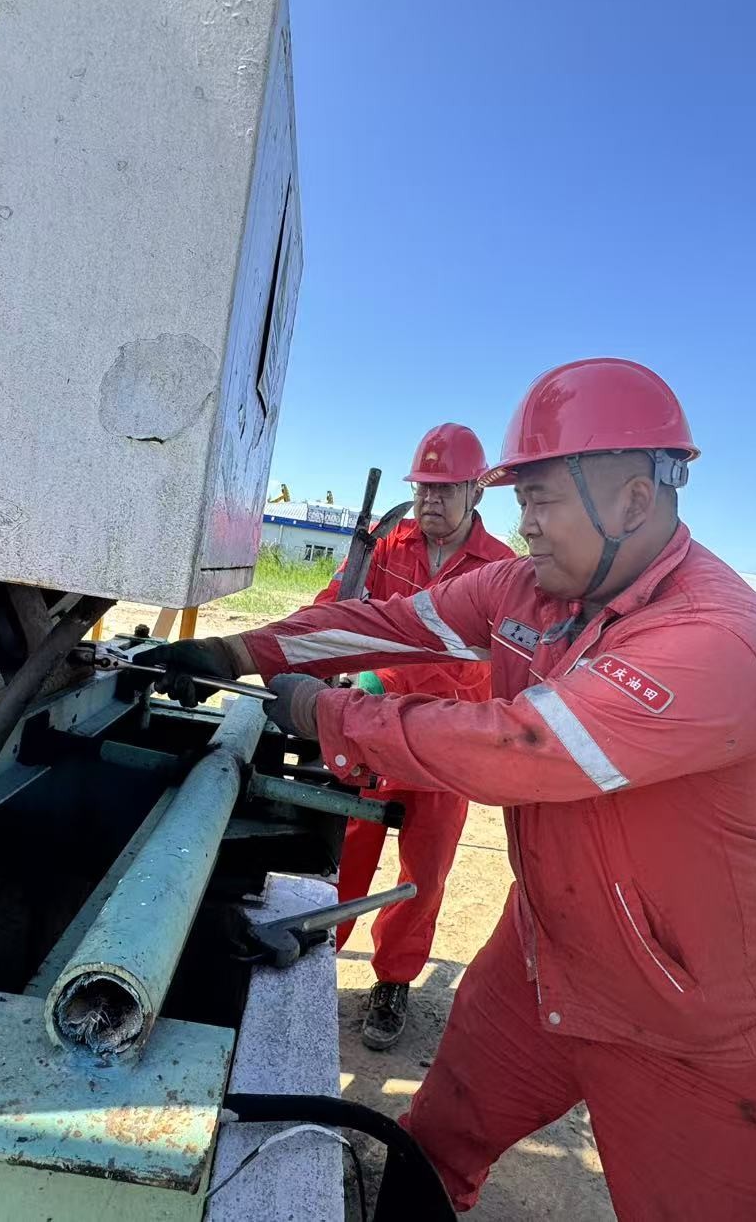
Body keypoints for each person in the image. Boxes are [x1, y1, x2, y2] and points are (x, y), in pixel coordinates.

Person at [138, 358, 756, 1220]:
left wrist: (325, 712)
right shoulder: (531, 589)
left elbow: (524, 749)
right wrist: (241, 652)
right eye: (520, 500)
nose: (524, 525)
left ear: (634, 501)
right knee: (430, 1147)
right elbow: (389, 622)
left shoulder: (716, 638)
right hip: (541, 958)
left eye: (543, 501)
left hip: (686, 1020)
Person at [315, 423, 513, 1050]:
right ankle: (314, 967)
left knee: (423, 875)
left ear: (476, 491)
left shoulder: (502, 570)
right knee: (343, 856)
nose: (431, 499)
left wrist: (386, 676)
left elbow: (476, 669)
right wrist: (297, 648)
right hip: (368, 738)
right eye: (424, 487)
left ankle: (393, 980)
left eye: (445, 488)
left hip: (443, 747)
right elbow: (336, 606)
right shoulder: (383, 548)